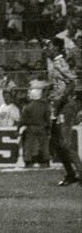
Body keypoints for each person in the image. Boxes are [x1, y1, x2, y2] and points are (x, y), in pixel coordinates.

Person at [42, 37, 82, 187]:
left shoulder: (60, 62)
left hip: (66, 106)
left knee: (64, 143)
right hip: (58, 107)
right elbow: (60, 83)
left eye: (49, 46)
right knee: (57, 144)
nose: (47, 49)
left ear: (57, 49)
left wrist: (62, 99)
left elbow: (73, 82)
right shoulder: (53, 64)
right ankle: (71, 175)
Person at [20, 88, 51, 168]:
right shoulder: (44, 106)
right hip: (41, 127)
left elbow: (23, 119)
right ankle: (46, 160)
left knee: (29, 144)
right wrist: (48, 127)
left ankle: (28, 161)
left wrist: (19, 128)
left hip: (31, 127)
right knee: (44, 144)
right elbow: (47, 118)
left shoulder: (28, 106)